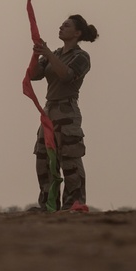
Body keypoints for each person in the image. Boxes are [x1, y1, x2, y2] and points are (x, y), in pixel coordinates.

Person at [30, 14, 99, 210]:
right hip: (49, 111)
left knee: (70, 160)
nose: (61, 27)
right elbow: (34, 75)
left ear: (77, 33)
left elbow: (67, 75)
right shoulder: (55, 53)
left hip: (67, 112)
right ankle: (48, 205)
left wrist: (49, 54)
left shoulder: (81, 57)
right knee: (43, 158)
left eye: (66, 26)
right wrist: (37, 54)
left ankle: (74, 205)